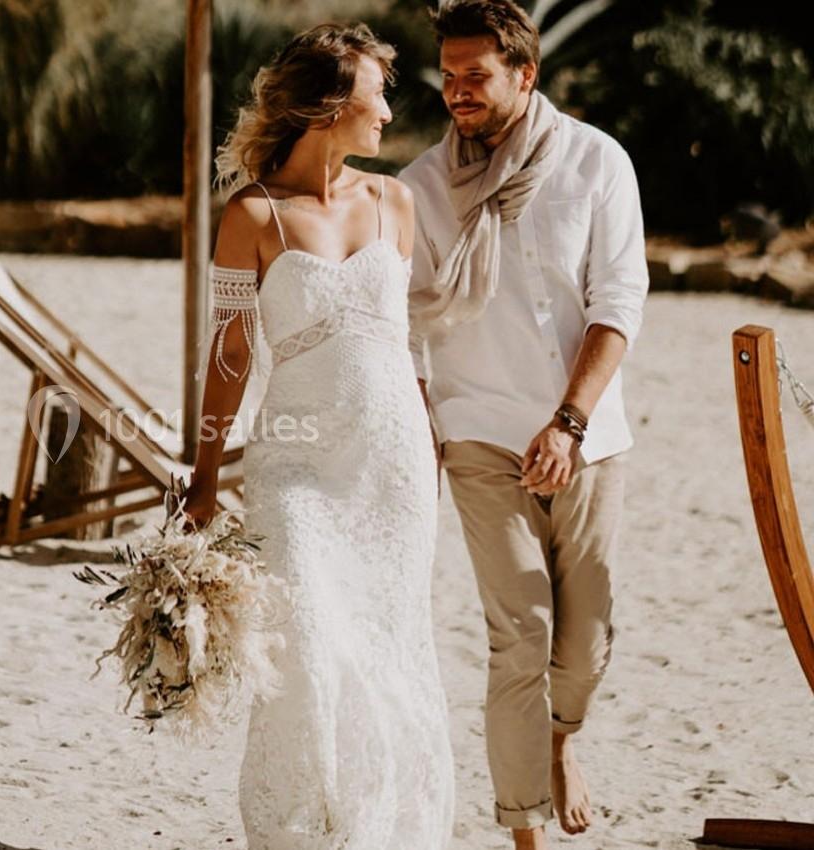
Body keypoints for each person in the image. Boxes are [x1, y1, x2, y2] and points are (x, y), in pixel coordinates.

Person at [182, 22, 455, 849]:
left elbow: (403, 343)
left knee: (387, 651)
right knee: (307, 648)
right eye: (377, 92)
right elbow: (230, 353)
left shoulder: (395, 203)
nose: (388, 109)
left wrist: (431, 445)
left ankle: (383, 829)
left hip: (395, 467)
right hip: (295, 467)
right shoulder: (252, 213)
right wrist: (201, 473)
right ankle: (305, 833)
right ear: (332, 106)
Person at [399, 2, 649, 847]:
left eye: (478, 76)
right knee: (522, 636)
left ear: (525, 74)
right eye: (450, 76)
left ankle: (562, 740)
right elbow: (410, 326)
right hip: (478, 436)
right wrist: (424, 432)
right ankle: (523, 832)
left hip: (589, 438)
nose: (459, 92)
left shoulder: (596, 161)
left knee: (583, 646)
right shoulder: (422, 188)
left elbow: (619, 301)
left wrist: (570, 423)